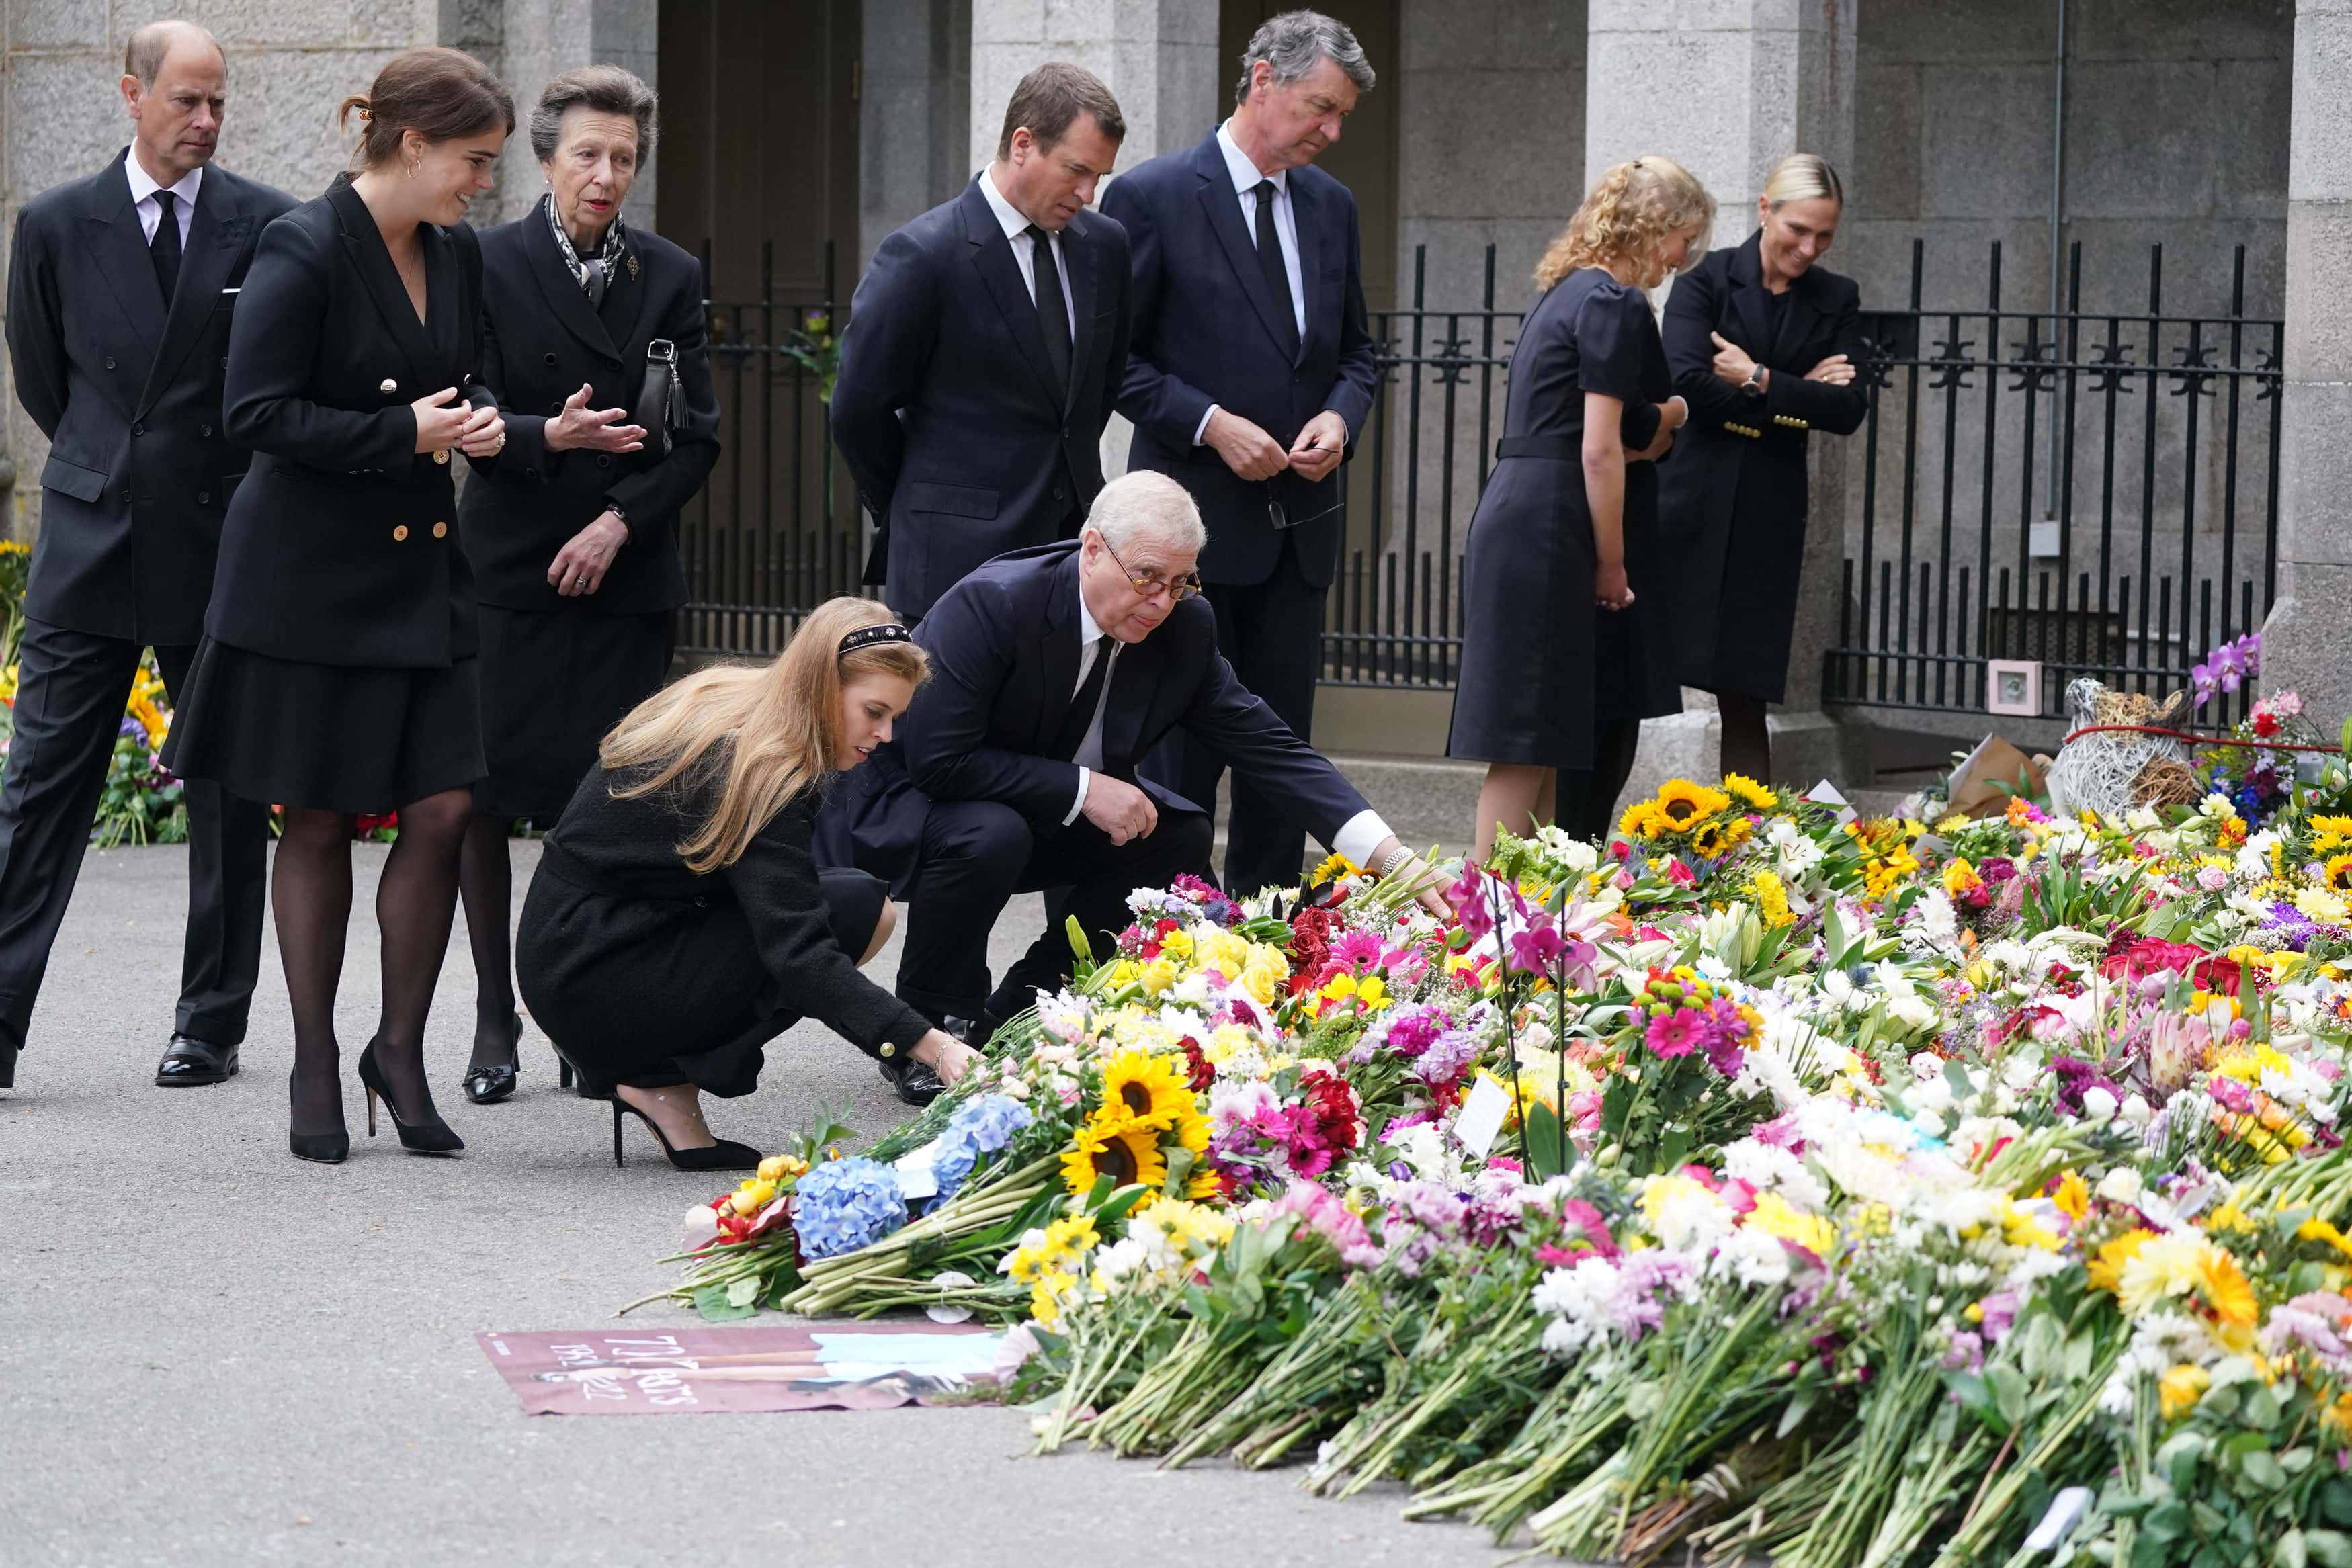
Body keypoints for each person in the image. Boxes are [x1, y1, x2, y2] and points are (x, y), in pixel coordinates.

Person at [160, 48, 515, 1164]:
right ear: (413, 144)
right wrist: (401, 433)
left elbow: (466, 378)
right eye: (474, 160)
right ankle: (316, 1056)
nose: (483, 184)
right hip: (308, 581)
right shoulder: (301, 246)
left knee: (448, 803)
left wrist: (490, 422)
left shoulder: (453, 256)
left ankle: (397, 1048)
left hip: (420, 575)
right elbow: (254, 411)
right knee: (312, 818)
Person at [818, 471, 1445, 1047]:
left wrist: (1395, 863)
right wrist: (1086, 788)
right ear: (1092, 549)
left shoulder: (1185, 628)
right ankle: (930, 1025)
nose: (1162, 601)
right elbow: (940, 762)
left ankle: (1029, 1009)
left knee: (1177, 834)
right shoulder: (996, 604)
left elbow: (1273, 749)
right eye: (1147, 576)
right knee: (992, 830)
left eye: (1181, 582)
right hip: (919, 807)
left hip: (1033, 806)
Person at [0, 21, 292, 1093]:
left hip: (218, 539)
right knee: (41, 786)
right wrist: (107, 464)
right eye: (186, 101)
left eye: (219, 102)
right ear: (133, 94)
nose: (206, 122)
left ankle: (210, 1020)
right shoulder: (55, 224)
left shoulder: (267, 224)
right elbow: (45, 379)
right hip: (92, 536)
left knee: (227, 788)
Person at [455, 65, 720, 1106]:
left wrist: (618, 520)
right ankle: (491, 1015)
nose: (607, 176)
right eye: (588, 156)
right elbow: (467, 407)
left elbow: (697, 438)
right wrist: (543, 436)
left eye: (625, 158)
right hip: (512, 576)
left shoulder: (671, 274)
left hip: (626, 580)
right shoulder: (482, 261)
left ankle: (588, 1014)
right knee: (486, 807)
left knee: (609, 812)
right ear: (546, 159)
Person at [515, 599, 980, 1164]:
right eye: (874, 711)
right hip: (592, 967)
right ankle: (652, 1075)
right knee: (848, 916)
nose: (885, 734)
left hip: (572, 939)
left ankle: (655, 1071)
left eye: (894, 719)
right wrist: (935, 1047)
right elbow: (800, 953)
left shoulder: (736, 699)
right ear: (819, 684)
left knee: (857, 902)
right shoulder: (763, 766)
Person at [1103, 9, 1380, 897]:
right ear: (1264, 79)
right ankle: (1175, 940)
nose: (1332, 133)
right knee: (1180, 757)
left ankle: (1271, 936)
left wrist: (1341, 418)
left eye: (1342, 116)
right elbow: (1113, 363)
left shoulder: (1331, 205)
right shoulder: (1152, 195)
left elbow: (1358, 355)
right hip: (1187, 541)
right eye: (1320, 108)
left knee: (1281, 759)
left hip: (1299, 533)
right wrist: (1210, 421)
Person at [1447, 157, 1711, 859]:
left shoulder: (1563, 292)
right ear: (1655, 230)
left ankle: (1519, 909)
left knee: (1542, 737)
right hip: (1550, 523)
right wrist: (1611, 562)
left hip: (1522, 507)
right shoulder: (1613, 302)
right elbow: (1598, 449)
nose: (1685, 257)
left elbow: (1581, 437)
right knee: (1527, 740)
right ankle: (1484, 915)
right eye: (1686, 237)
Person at [830, 62, 1132, 623]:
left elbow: (1096, 392)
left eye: (1100, 178)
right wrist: (921, 500)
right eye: (1077, 171)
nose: (1088, 194)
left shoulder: (1105, 248)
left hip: (1071, 561)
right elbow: (856, 409)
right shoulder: (924, 254)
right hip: (951, 566)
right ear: (1023, 144)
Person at [1657, 153, 1865, 784]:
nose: (1808, 248)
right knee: (1638, 677)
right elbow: (1685, 383)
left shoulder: (1836, 297)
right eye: (1798, 229)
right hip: (1688, 496)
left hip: (1768, 510)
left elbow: (1849, 408)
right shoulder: (1706, 280)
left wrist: (1757, 377)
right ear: (1765, 210)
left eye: (1824, 235)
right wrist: (1796, 394)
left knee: (1745, 695)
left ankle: (1746, 855)